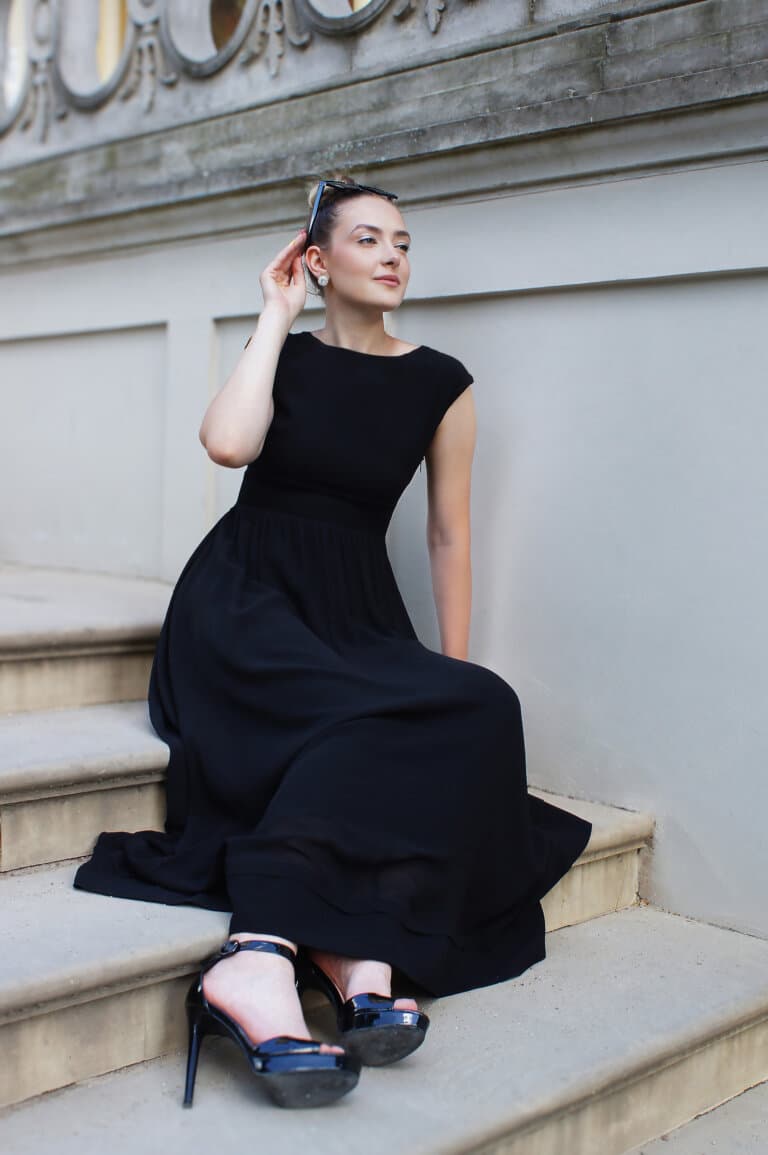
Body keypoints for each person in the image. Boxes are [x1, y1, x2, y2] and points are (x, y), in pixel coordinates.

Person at [74, 174, 593, 1110]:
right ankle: (266, 949)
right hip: (243, 599)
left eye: (403, 241)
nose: (393, 255)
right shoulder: (282, 351)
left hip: (354, 607)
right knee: (357, 724)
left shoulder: (442, 382)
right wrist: (274, 316)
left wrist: (450, 662)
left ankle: (336, 940)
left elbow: (448, 534)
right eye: (368, 239)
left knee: (479, 703)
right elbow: (228, 445)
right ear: (316, 260)